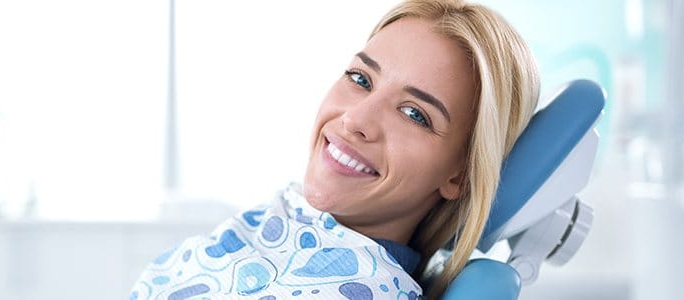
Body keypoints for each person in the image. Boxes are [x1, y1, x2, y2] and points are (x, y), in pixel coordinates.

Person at [130, 0, 539, 298]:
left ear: (459, 174)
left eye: (415, 114)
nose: (355, 120)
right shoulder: (271, 224)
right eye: (361, 79)